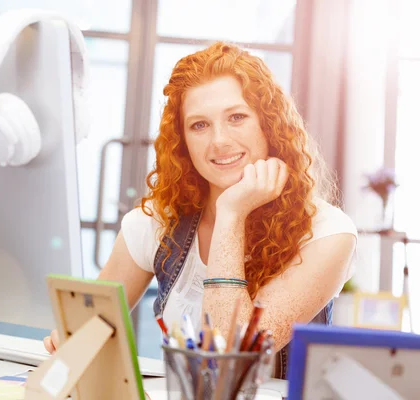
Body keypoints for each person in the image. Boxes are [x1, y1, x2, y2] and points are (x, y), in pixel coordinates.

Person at [43, 41, 357, 378]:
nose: (219, 140)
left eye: (237, 117)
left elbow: (231, 362)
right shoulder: (158, 224)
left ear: (269, 125)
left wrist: (231, 214)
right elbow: (84, 334)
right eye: (199, 125)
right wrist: (72, 342)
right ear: (182, 142)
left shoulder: (327, 232)